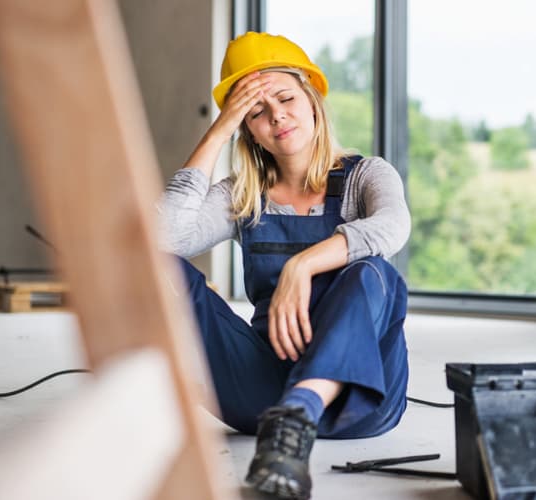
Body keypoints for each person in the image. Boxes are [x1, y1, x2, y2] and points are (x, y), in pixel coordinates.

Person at [157, 32, 411, 500]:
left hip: (361, 399)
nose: (277, 116)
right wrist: (218, 128)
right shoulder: (243, 195)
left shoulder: (366, 175)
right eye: (255, 111)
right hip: (264, 394)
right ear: (246, 129)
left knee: (376, 273)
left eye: (286, 98)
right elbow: (163, 240)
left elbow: (393, 227)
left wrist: (302, 266)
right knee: (163, 272)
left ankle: (302, 407)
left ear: (312, 101)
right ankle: (288, 417)